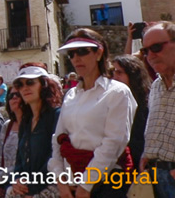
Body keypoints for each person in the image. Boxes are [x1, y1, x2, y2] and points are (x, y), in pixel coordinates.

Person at [49, 29, 136, 198]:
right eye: (71, 53)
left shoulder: (117, 92)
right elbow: (58, 139)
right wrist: (61, 180)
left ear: (99, 53)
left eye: (82, 51)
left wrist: (86, 185)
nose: (76, 58)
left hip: (107, 183)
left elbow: (114, 143)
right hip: (72, 183)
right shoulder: (71, 95)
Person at [7, 64, 62, 198]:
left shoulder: (57, 115)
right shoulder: (26, 121)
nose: (25, 88)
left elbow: (55, 156)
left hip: (51, 186)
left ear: (43, 85)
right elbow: (19, 159)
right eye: (20, 84)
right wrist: (18, 179)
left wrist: (32, 186)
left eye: (30, 82)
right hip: (26, 189)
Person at [140, 21, 175, 198]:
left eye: (156, 47)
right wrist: (149, 152)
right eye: (145, 51)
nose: (150, 56)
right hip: (155, 176)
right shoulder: (156, 85)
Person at [110, 55, 151, 166]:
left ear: (133, 75)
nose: (114, 77)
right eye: (113, 72)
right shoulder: (113, 99)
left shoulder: (148, 102)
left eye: (119, 72)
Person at [0, 88, 23, 198]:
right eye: (11, 95)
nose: (14, 97)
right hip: (4, 186)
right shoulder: (7, 126)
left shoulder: (33, 126)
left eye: (17, 94)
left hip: (22, 184)